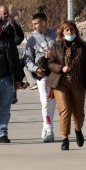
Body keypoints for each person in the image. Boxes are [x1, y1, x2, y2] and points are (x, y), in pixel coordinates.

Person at [46, 20, 86, 151]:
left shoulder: (83, 46)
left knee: (79, 113)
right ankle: (65, 139)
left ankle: (78, 130)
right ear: (62, 32)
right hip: (60, 83)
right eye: (66, 30)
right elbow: (50, 63)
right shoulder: (57, 45)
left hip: (78, 83)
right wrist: (61, 68)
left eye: (71, 30)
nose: (69, 32)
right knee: (65, 110)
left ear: (76, 31)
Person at [23, 12, 59, 142]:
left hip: (55, 75)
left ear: (43, 23)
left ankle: (46, 125)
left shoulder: (56, 37)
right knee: (45, 101)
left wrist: (53, 55)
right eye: (32, 24)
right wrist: (35, 69)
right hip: (42, 75)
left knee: (52, 104)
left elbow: (64, 56)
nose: (33, 27)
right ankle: (49, 129)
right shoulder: (32, 40)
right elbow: (27, 59)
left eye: (35, 24)